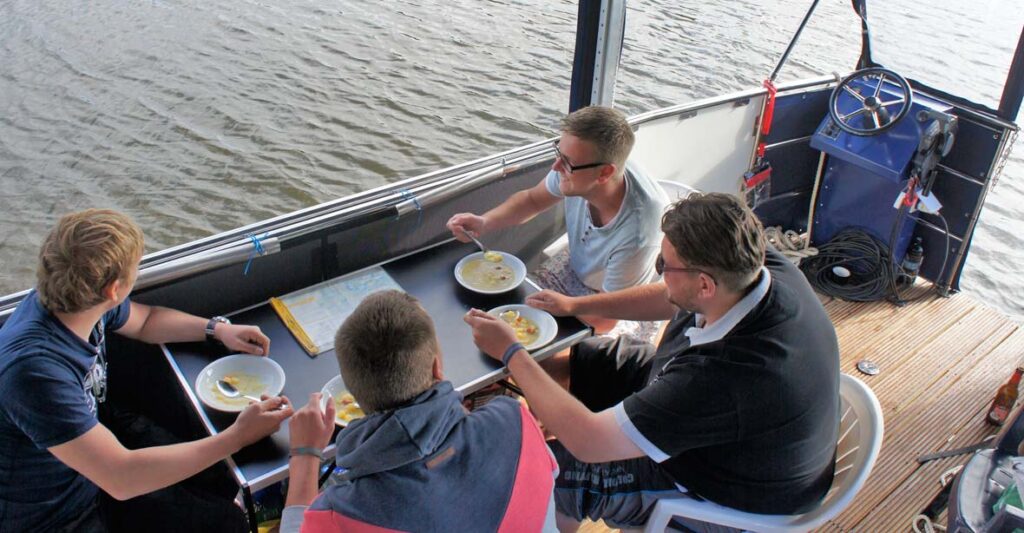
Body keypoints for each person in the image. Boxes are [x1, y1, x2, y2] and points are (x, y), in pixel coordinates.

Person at [464, 193, 841, 531]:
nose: (659, 269)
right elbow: (669, 296)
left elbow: (590, 443)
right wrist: (575, 305)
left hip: (720, 490)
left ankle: (558, 511)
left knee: (551, 468)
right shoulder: (753, 268)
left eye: (665, 264)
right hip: (732, 430)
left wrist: (512, 353)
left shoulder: (720, 378)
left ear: (704, 284)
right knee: (580, 358)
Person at [0, 209, 294, 532]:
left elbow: (146, 321)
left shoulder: (75, 298)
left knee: (217, 476)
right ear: (114, 289)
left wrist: (218, 330)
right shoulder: (34, 372)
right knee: (227, 524)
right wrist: (237, 437)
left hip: (93, 457)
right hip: (59, 513)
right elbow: (121, 477)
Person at [282, 290, 558, 532]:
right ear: (437, 368)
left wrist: (305, 455)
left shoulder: (342, 513)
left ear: (353, 394)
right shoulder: (516, 421)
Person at [447, 105, 667, 340]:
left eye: (567, 162)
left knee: (542, 347)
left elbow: (606, 320)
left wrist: (565, 311)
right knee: (508, 308)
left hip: (617, 305)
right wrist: (484, 222)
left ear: (604, 173)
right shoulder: (577, 169)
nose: (556, 167)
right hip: (577, 268)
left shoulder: (638, 234)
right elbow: (532, 200)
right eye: (558, 153)